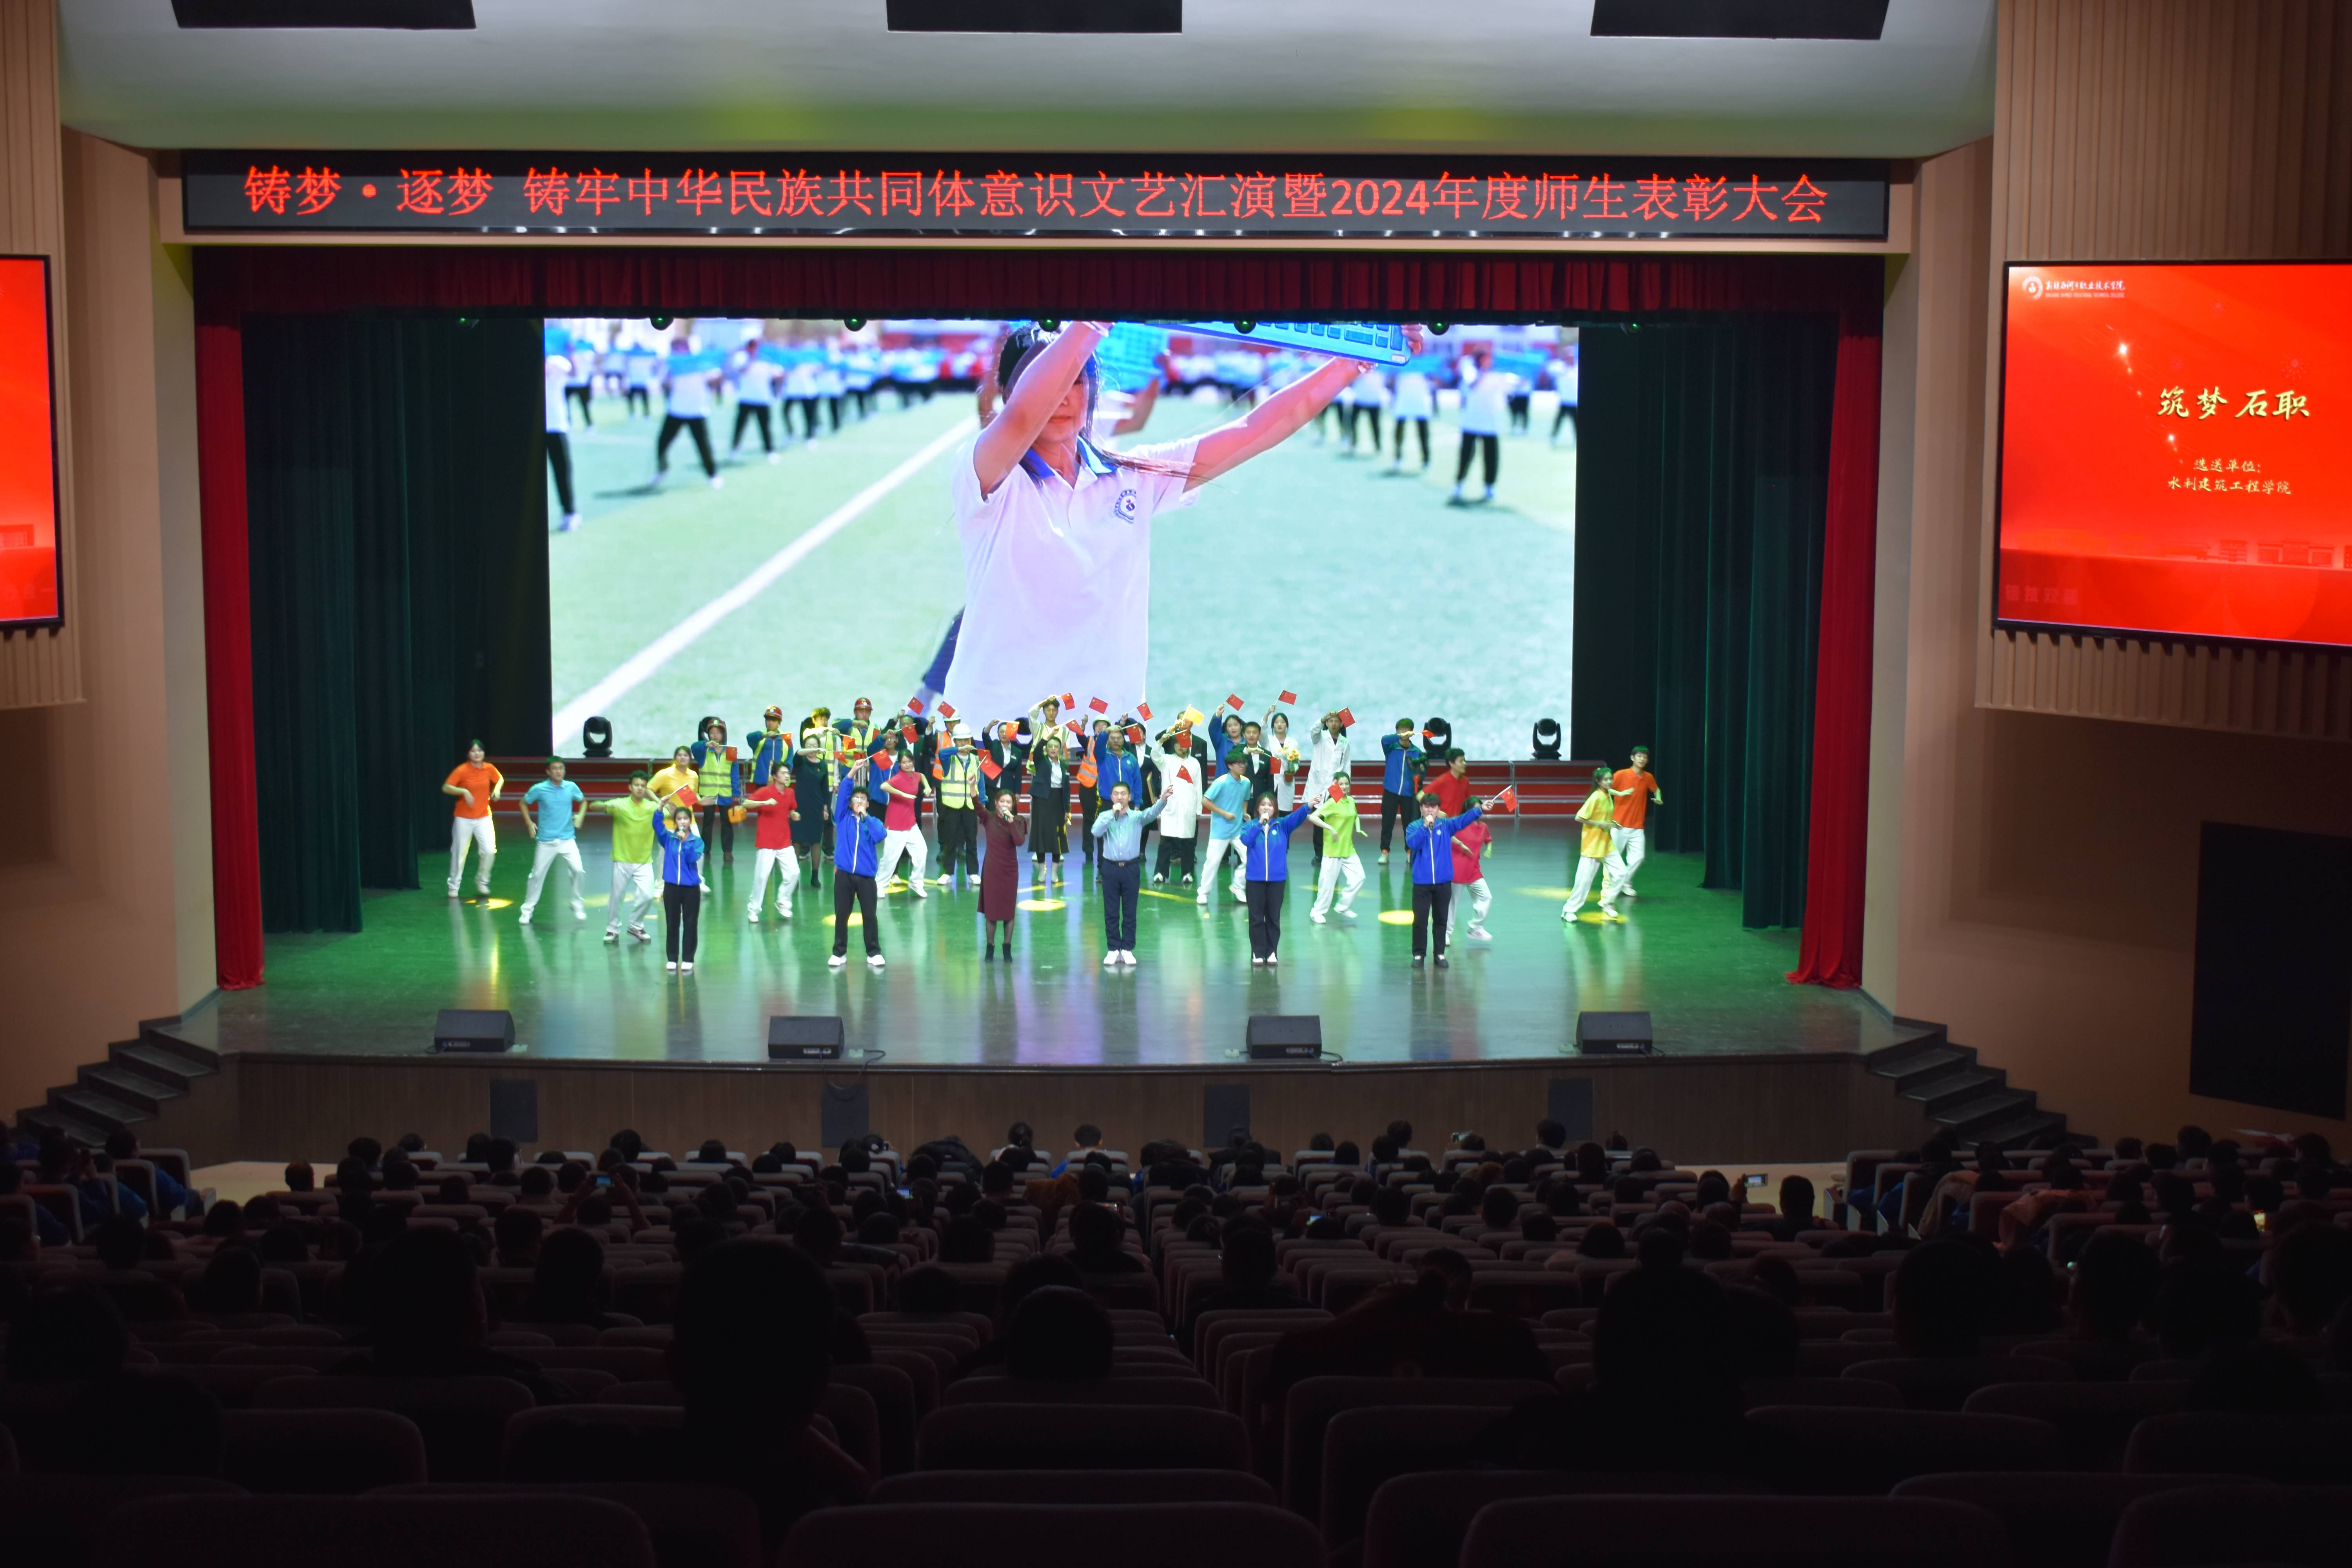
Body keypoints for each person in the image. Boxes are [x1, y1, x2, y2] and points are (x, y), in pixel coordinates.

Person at [941, 319, 1424, 725]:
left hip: (1103, 740)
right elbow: (1023, 417)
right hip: (993, 736)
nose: (1061, 398)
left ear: (1094, 388)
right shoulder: (987, 477)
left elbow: (1256, 429)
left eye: (1077, 381)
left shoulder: (1132, 477)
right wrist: (1092, 318)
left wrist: (1359, 357)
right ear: (1008, 394)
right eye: (1045, 382)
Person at [1090, 780, 1169, 968]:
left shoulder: (1137, 817)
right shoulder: (1105, 816)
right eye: (1116, 794)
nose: (1120, 797)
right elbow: (1096, 832)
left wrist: (1163, 800)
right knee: (1111, 911)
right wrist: (1112, 815)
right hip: (1110, 868)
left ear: (1130, 797)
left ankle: (1127, 949)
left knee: (1130, 911)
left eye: (1124, 794)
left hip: (1131, 869)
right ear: (1112, 797)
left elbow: (1152, 813)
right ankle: (1113, 949)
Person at [1405, 790, 1485, 969]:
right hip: (1422, 883)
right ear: (1421, 809)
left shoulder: (1446, 825)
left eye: (1434, 807)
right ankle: (1419, 954)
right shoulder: (1413, 827)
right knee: (1420, 921)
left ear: (1438, 810)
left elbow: (1462, 820)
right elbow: (1413, 844)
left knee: (1441, 919)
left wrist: (1479, 811)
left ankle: (1439, 954)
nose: (1430, 810)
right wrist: (1425, 827)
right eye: (1427, 807)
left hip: (1443, 883)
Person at [1236, 791, 1314, 966]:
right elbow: (1247, 841)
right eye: (1263, 805)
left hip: (1277, 880)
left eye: (1270, 805)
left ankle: (1272, 951)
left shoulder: (1283, 825)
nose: (1267, 808)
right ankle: (1257, 953)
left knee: (1273, 918)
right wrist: (1260, 824)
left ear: (1275, 808)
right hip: (1255, 880)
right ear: (1258, 808)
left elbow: (1296, 818)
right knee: (1256, 918)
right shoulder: (1249, 826)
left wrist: (1308, 806)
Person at [829, 766, 887, 970]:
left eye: (863, 799)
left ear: (868, 804)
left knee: (870, 915)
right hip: (844, 875)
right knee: (842, 914)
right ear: (850, 802)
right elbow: (845, 790)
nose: (859, 802)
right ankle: (839, 953)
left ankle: (874, 952)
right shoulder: (842, 817)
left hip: (866, 878)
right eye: (856, 799)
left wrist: (866, 818)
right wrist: (852, 772)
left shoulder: (872, 822)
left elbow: (880, 836)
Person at [517, 757, 588, 927]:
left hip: (567, 839)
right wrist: (529, 823)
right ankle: (527, 910)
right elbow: (523, 803)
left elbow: (584, 801)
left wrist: (581, 815)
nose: (559, 771)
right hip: (546, 841)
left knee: (578, 870)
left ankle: (576, 903)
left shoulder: (571, 787)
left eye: (561, 768)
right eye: (555, 769)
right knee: (537, 876)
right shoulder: (539, 789)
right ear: (548, 771)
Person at [598, 770, 661, 944]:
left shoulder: (651, 807)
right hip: (622, 860)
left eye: (643, 786)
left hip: (644, 861)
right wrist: (604, 806)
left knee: (648, 896)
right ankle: (612, 930)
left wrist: (658, 801)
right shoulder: (620, 804)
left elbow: (671, 813)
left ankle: (635, 926)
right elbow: (594, 806)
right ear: (630, 787)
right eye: (637, 785)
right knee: (617, 897)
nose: (640, 788)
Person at [652, 338, 722, 490]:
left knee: (703, 446)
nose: (678, 351)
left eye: (680, 348)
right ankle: (662, 469)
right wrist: (667, 376)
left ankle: (713, 475)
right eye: (675, 348)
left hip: (697, 411)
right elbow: (664, 384)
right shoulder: (672, 365)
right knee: (662, 443)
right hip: (676, 411)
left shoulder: (700, 363)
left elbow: (715, 378)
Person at [1562, 765, 1628, 922]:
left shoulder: (1608, 795)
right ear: (1599, 782)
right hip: (1593, 845)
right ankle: (1568, 910)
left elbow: (1604, 816)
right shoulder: (1596, 797)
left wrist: (1612, 823)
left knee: (1622, 873)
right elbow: (1579, 817)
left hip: (1607, 844)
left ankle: (1607, 902)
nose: (1609, 782)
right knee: (1584, 881)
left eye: (1611, 779)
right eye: (1606, 780)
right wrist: (1600, 824)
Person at [1451, 348, 1517, 505]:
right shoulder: (1470, 371)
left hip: (1491, 424)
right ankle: (1459, 484)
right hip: (1471, 422)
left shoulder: (1499, 375)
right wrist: (1484, 373)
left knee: (1491, 457)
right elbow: (1472, 385)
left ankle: (1489, 486)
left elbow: (1515, 386)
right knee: (1466, 455)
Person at [739, 760, 800, 924]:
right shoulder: (765, 792)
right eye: (783, 773)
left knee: (794, 873)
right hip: (766, 843)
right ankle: (754, 910)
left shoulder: (790, 793)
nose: (787, 776)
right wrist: (764, 803)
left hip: (785, 841)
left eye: (788, 773)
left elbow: (791, 808)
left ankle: (783, 902)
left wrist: (793, 815)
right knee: (761, 878)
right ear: (774, 776)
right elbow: (746, 803)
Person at [441, 740, 503, 899]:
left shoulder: (489, 768)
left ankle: (483, 881)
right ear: (469, 753)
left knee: (489, 851)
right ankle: (454, 886)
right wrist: (464, 791)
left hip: (484, 817)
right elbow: (446, 787)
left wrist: (497, 790)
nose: (477, 753)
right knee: (459, 853)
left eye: (480, 751)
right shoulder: (462, 770)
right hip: (464, 818)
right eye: (474, 751)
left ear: (484, 753)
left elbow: (500, 779)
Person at [869, 738, 930, 899]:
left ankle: (916, 882)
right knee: (890, 858)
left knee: (922, 851)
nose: (907, 765)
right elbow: (884, 786)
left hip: (911, 824)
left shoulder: (915, 776)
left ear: (913, 762)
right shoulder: (899, 778)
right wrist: (903, 794)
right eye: (904, 763)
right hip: (895, 826)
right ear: (900, 765)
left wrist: (928, 787)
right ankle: (879, 885)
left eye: (909, 762)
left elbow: (922, 777)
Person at [1024, 698, 1074, 885]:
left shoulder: (1064, 764)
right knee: (1041, 832)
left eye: (1056, 747)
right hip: (1042, 797)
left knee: (1057, 835)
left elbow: (1067, 789)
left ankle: (1054, 872)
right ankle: (1042, 871)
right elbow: (1037, 751)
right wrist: (1047, 738)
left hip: (1057, 800)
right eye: (1048, 709)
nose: (1054, 749)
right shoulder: (1041, 755)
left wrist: (1067, 809)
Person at [650, 803, 704, 972]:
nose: (683, 822)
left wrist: (684, 842)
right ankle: (672, 958)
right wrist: (660, 808)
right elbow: (657, 826)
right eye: (679, 819)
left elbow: (692, 858)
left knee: (690, 924)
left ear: (690, 821)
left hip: (691, 889)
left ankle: (688, 958)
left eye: (686, 819)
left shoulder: (697, 841)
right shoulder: (669, 839)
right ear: (675, 822)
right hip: (672, 888)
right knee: (672, 923)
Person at [1149, 723, 1203, 886]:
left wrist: (1198, 809)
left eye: (1184, 743)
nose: (1181, 746)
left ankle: (1187, 873)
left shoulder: (1195, 763)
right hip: (1171, 807)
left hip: (1188, 808)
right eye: (1178, 743)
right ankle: (1160, 873)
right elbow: (1154, 755)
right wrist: (1161, 741)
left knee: (1188, 842)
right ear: (1174, 744)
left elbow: (1198, 787)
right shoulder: (1167, 760)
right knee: (1166, 840)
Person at [978, 788, 1027, 961]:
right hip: (992, 869)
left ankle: (1007, 948)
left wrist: (1011, 822)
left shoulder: (1018, 821)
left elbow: (1019, 841)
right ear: (996, 803)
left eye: (1009, 802)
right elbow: (977, 805)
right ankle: (990, 948)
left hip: (1010, 871)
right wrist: (972, 788)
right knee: (991, 912)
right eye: (1002, 801)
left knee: (1008, 912)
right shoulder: (988, 818)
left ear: (1013, 805)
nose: (1005, 805)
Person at [931, 723, 982, 890]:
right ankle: (947, 873)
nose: (963, 743)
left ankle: (973, 873)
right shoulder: (949, 758)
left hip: (970, 805)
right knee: (950, 840)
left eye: (966, 740)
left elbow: (980, 782)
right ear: (955, 741)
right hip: (952, 805)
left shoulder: (975, 759)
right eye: (960, 740)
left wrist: (983, 800)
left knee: (972, 840)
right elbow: (942, 753)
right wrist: (959, 750)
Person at [1198, 750, 1251, 906]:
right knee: (1213, 862)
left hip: (1238, 830)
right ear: (1230, 766)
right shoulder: (1220, 782)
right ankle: (1203, 893)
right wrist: (1224, 813)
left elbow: (1245, 799)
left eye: (1244, 763)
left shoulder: (1246, 782)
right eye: (1239, 764)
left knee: (1251, 858)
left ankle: (1238, 886)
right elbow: (1205, 800)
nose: (1243, 766)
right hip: (1220, 831)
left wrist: (1244, 813)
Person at [1308, 775, 1364, 924]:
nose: (1344, 787)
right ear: (1336, 786)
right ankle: (1317, 912)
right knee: (1327, 885)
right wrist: (1330, 828)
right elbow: (1313, 817)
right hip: (1333, 851)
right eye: (1341, 784)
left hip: (1348, 849)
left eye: (1347, 784)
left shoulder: (1351, 801)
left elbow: (1355, 816)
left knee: (1359, 877)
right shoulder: (1332, 803)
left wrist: (1358, 828)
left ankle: (1343, 906)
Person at [1611, 745, 1663, 898]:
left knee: (1639, 857)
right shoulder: (1621, 774)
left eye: (1645, 757)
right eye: (1639, 756)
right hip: (1619, 824)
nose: (1642, 759)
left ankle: (1625, 883)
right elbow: (1606, 788)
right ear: (1633, 758)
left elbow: (1656, 789)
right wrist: (1620, 793)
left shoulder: (1648, 777)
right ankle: (1611, 886)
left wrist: (1659, 798)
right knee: (1613, 857)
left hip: (1638, 826)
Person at [691, 717, 742, 867]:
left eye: (718, 732)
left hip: (726, 793)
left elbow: (734, 773)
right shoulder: (704, 751)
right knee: (708, 822)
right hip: (709, 793)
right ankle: (706, 850)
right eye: (712, 732)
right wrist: (705, 744)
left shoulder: (731, 751)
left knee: (727, 823)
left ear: (723, 734)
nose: (715, 735)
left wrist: (736, 791)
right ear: (708, 734)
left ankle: (728, 851)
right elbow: (694, 747)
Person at [791, 710, 834, 888]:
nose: (811, 748)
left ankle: (815, 876)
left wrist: (825, 808)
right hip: (800, 806)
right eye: (808, 745)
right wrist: (811, 749)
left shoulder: (823, 765)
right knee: (797, 840)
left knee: (816, 841)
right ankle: (794, 876)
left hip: (817, 807)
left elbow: (825, 790)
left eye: (814, 745)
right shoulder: (800, 762)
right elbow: (798, 754)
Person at [1302, 711, 1350, 865]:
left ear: (1341, 724)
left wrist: (1346, 786)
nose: (1334, 724)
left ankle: (1333, 851)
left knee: (1335, 819)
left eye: (1337, 721)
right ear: (1327, 723)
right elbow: (1314, 730)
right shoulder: (1320, 737)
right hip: (1320, 784)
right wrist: (1323, 718)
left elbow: (1346, 765)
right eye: (1331, 721)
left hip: (1336, 786)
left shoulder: (1345, 742)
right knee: (1319, 819)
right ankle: (1319, 854)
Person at [545, 352, 583, 533]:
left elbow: (573, 371)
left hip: (556, 427)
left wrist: (572, 353)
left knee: (562, 472)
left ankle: (570, 513)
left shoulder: (556, 362)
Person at [1377, 719, 1424, 864]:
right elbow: (1384, 739)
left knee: (1409, 824)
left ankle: (1409, 852)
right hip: (1391, 791)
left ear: (1412, 732)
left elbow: (1422, 773)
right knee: (1387, 823)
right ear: (1397, 731)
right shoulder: (1391, 747)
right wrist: (1399, 736)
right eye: (1401, 730)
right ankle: (1385, 852)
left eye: (1407, 730)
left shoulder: (1417, 752)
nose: (1404, 732)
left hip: (1409, 794)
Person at [730, 337, 780, 462]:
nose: (755, 349)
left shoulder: (767, 360)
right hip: (746, 398)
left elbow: (777, 376)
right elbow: (741, 371)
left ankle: (770, 451)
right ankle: (734, 449)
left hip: (763, 398)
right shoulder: (742, 358)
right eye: (752, 346)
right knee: (740, 426)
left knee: (765, 427)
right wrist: (752, 359)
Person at [1446, 811, 1494, 944]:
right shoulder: (1458, 825)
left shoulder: (1483, 827)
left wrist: (1489, 849)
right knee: (1451, 903)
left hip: (1473, 870)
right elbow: (1446, 834)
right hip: (1457, 869)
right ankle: (1446, 934)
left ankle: (1475, 928)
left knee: (1486, 897)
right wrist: (1460, 844)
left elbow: (1488, 840)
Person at [1391, 361, 1434, 470]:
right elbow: (1392, 379)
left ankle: (1426, 460)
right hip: (1404, 400)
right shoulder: (1398, 360)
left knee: (1423, 434)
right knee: (1399, 432)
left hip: (1420, 402)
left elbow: (1435, 379)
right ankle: (1398, 458)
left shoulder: (1427, 361)